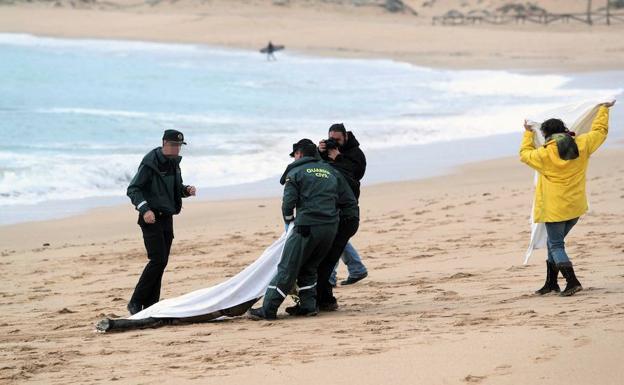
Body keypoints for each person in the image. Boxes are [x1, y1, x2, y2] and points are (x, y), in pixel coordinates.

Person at [248, 139, 354, 320]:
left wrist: (289, 222)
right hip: (329, 229)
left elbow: (288, 203)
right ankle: (308, 306)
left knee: (287, 267)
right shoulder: (331, 171)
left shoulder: (296, 172)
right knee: (310, 268)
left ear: (299, 154)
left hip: (306, 227)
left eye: (294, 155)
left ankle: (268, 309)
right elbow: (348, 200)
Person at [520, 100, 615, 297]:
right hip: (575, 207)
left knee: (555, 245)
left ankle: (572, 281)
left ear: (545, 135)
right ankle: (551, 283)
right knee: (553, 244)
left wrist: (528, 132)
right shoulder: (582, 144)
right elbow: (600, 131)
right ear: (565, 129)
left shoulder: (544, 154)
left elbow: (524, 154)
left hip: (555, 210)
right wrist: (604, 109)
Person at [126, 129, 196, 315]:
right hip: (151, 218)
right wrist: (145, 209)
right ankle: (136, 302)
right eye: (174, 145)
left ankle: (151, 304)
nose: (177, 149)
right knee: (157, 260)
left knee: (162, 261)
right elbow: (133, 189)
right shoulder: (150, 163)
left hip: (167, 217)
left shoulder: (174, 164)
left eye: (179, 146)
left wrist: (185, 190)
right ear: (164, 143)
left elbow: (173, 189)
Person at [319, 123, 368, 285]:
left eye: (337, 139)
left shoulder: (356, 153)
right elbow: (320, 169)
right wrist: (320, 152)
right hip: (331, 200)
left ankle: (331, 278)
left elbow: (354, 175)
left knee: (335, 238)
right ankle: (356, 269)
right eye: (331, 139)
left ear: (346, 136)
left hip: (347, 201)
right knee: (337, 237)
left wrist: (338, 158)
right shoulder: (327, 151)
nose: (334, 142)